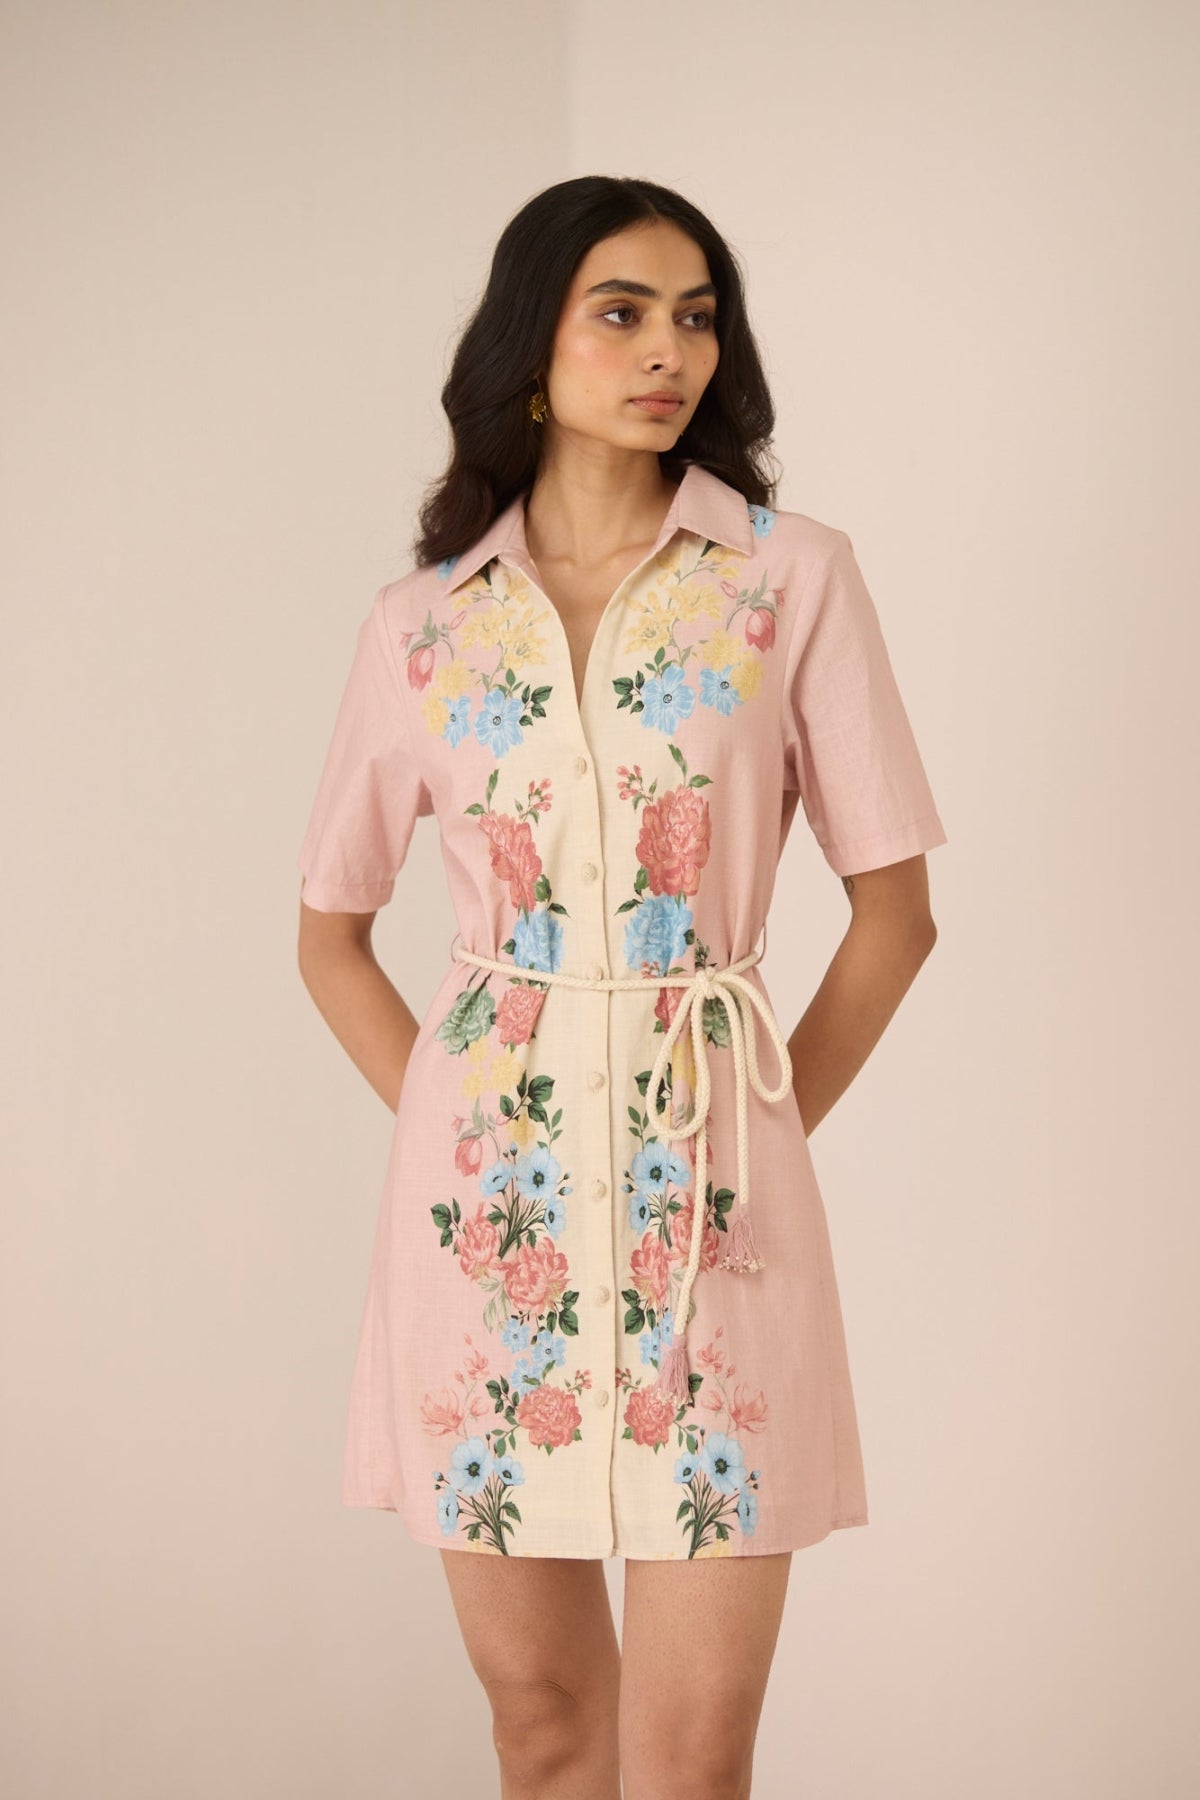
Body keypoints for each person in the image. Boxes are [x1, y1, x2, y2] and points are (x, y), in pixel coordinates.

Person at [296, 174, 947, 1799]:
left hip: (710, 1217)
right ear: (533, 344)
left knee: (691, 1756)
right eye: (625, 310)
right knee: (540, 1730)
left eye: (700, 315)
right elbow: (329, 929)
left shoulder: (788, 582)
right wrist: (462, 1109)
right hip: (485, 1243)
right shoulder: (423, 624)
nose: (673, 350)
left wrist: (757, 1117)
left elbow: (896, 914)